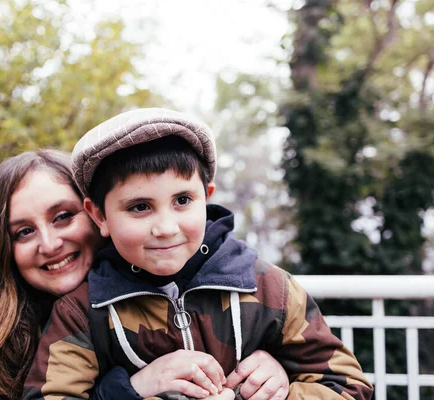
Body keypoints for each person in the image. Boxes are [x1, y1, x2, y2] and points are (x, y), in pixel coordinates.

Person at [23, 108, 374, 399]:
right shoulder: (85, 311)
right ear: (99, 215)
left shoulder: (269, 287)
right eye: (140, 207)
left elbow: (349, 387)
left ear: (206, 197)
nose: (166, 227)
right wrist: (129, 390)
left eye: (182, 201)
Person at [0, 149, 290, 400]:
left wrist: (280, 371)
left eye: (62, 217)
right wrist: (129, 388)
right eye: (24, 232)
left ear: (98, 215)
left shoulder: (170, 290)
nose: (49, 243)